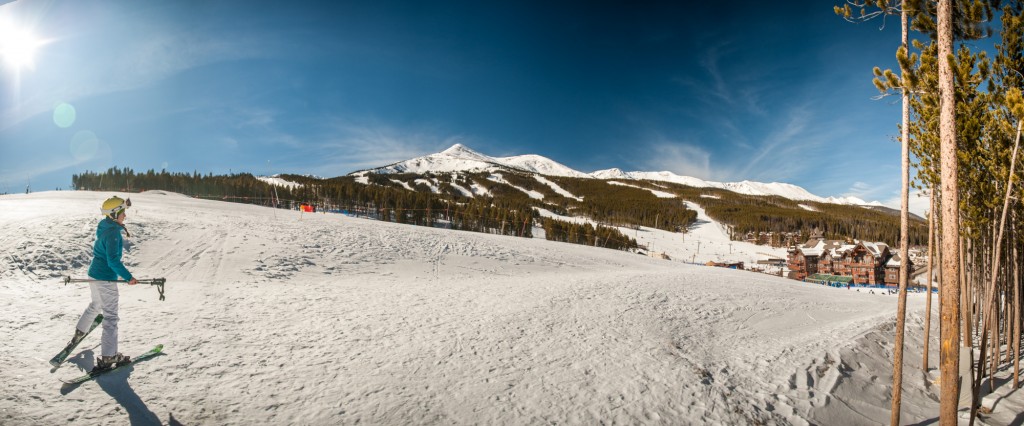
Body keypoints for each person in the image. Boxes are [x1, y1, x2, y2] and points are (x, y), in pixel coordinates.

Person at [73, 196, 138, 370]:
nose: (125, 216)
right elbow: (113, 261)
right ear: (115, 213)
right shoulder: (113, 233)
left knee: (96, 304)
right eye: (123, 212)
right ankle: (109, 356)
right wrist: (128, 277)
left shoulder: (105, 226)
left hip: (94, 274)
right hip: (105, 279)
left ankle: (80, 331)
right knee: (110, 316)